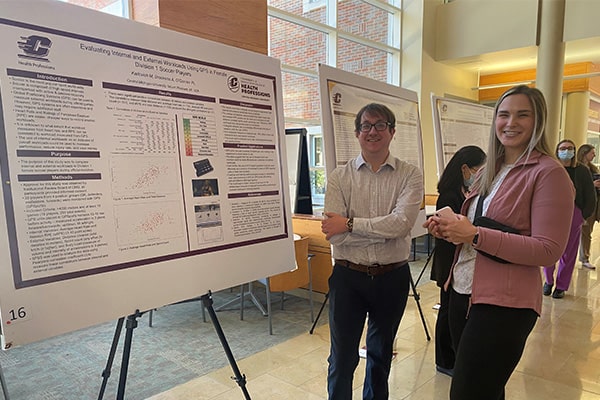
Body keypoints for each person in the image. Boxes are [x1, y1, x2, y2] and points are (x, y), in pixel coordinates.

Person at [424, 85, 574, 400]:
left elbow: (548, 250)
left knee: (468, 393)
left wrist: (475, 235)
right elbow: (475, 227)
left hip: (505, 303)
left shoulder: (549, 174)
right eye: (503, 115)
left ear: (539, 121)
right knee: (484, 391)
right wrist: (449, 228)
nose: (510, 123)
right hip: (463, 291)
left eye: (523, 115)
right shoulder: (490, 171)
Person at [321, 103, 423, 400]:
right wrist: (380, 231)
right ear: (357, 133)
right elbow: (335, 237)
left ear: (392, 131)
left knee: (380, 356)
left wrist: (350, 224)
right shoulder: (339, 177)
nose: (372, 131)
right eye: (366, 126)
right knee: (342, 358)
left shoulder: (410, 175)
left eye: (380, 125)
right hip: (348, 278)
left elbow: (402, 225)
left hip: (392, 277)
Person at [429, 145, 486, 377]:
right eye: (478, 170)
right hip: (448, 260)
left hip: (457, 259)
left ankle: (450, 356)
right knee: (446, 311)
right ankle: (445, 359)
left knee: (450, 309)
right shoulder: (450, 195)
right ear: (465, 169)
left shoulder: (465, 192)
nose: (479, 175)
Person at [542, 140, 596, 298]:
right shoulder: (550, 167)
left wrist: (583, 215)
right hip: (550, 213)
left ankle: (561, 286)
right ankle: (548, 281)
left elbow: (590, 195)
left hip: (574, 212)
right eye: (563, 149)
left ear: (574, 151)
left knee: (569, 252)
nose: (566, 151)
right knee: (548, 248)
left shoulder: (582, 170)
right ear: (557, 151)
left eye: (570, 148)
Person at [577, 144, 600, 270]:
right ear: (584, 153)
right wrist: (592, 184)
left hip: (591, 205)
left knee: (587, 233)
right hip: (579, 205)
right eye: (592, 153)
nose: (594, 155)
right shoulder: (576, 169)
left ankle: (584, 257)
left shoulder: (594, 169)